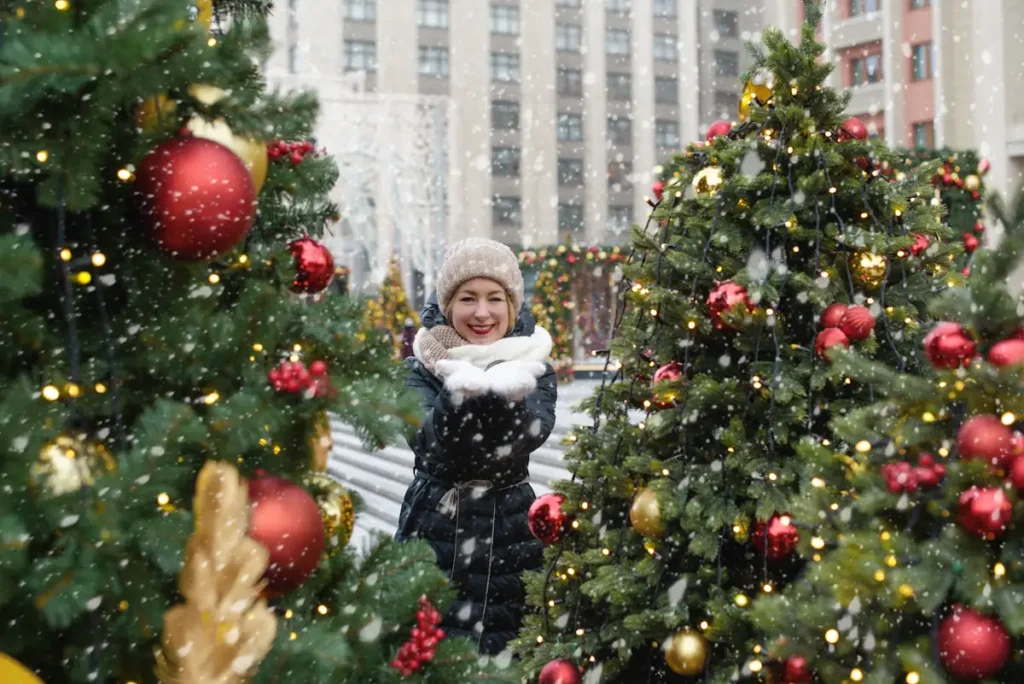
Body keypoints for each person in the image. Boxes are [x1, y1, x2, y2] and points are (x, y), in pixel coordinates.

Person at [395, 238, 557, 655]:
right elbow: (429, 442)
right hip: (436, 525)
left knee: (509, 647)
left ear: (512, 305)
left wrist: (505, 391)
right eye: (468, 298)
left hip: (511, 530)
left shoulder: (534, 364)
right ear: (449, 305)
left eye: (494, 298)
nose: (482, 313)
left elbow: (528, 435)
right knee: (429, 651)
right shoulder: (421, 367)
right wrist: (458, 394)